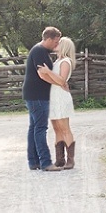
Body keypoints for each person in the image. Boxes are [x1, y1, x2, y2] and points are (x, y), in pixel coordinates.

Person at [23, 26, 64, 172]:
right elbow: (42, 74)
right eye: (55, 41)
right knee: (40, 128)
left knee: (34, 127)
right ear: (48, 39)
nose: (56, 45)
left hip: (33, 95)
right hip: (38, 96)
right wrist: (58, 82)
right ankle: (45, 162)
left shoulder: (39, 51)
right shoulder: (39, 51)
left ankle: (33, 161)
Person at [38, 37, 77, 169]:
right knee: (57, 129)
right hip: (53, 96)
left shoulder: (66, 62)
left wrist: (48, 72)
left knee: (65, 128)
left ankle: (70, 160)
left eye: (59, 43)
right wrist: (45, 75)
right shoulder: (57, 61)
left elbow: (61, 80)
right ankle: (60, 159)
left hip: (60, 97)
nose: (56, 44)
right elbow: (57, 82)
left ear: (65, 46)